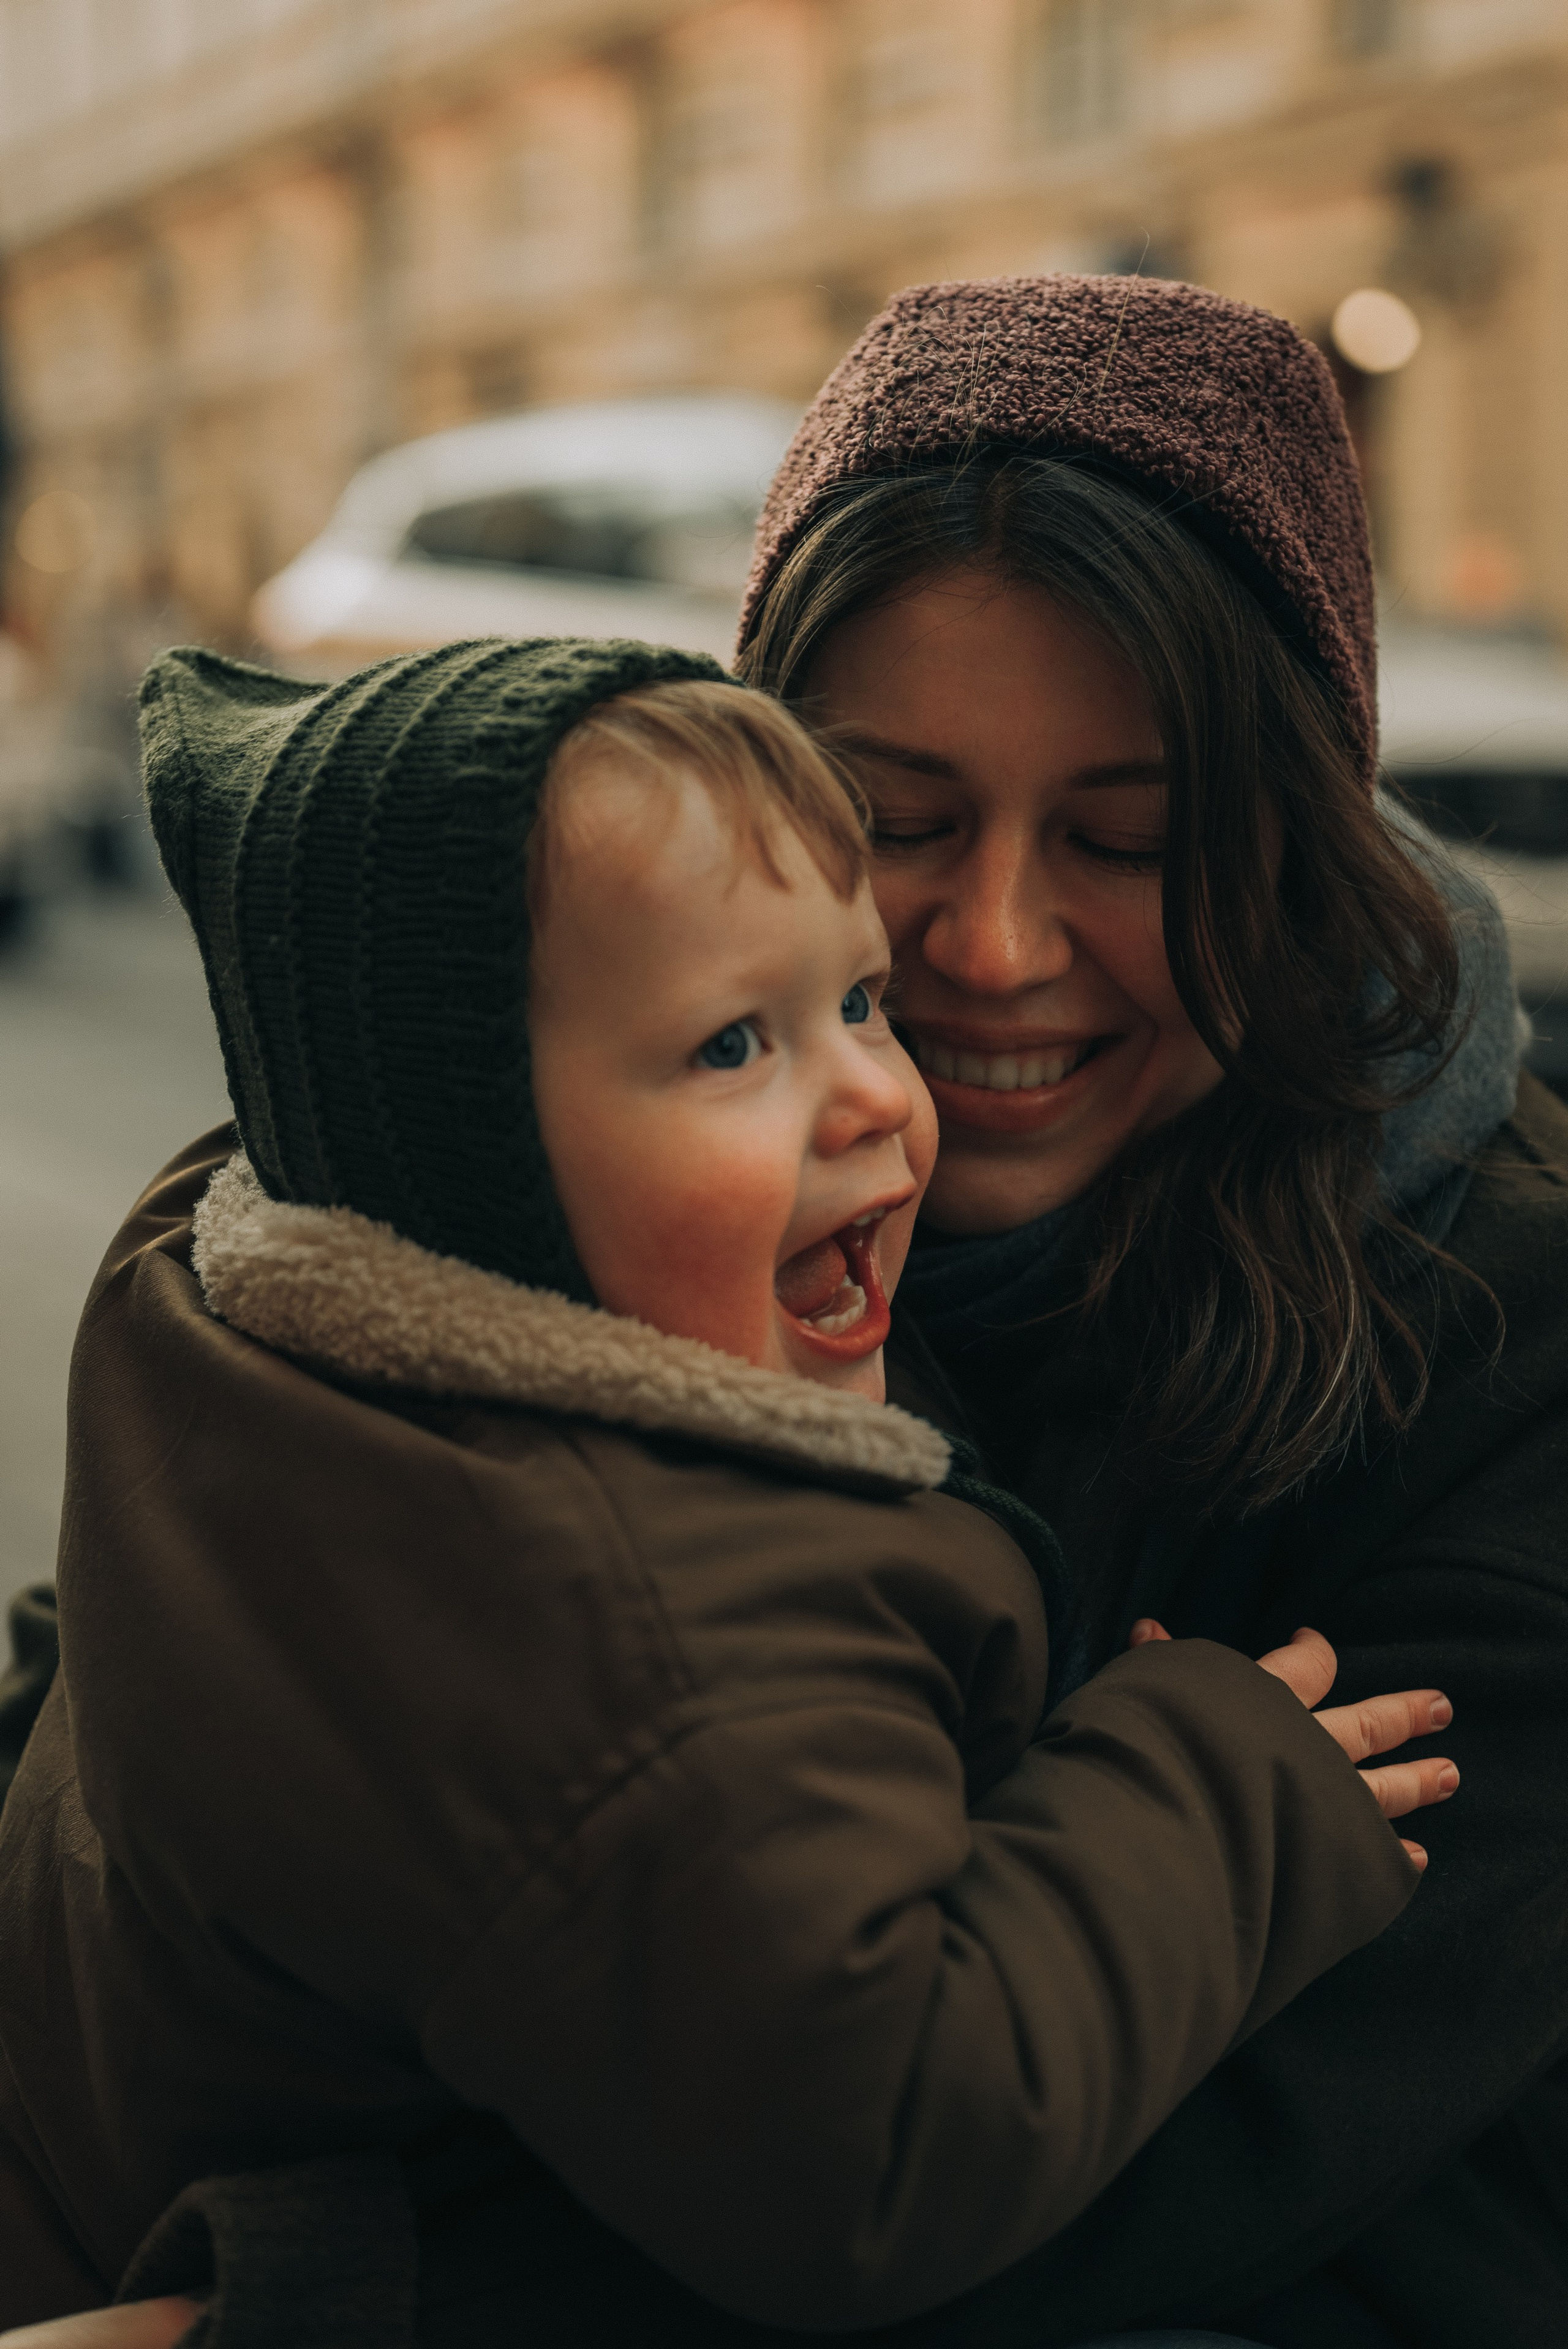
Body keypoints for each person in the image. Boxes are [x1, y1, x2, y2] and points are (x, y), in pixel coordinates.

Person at [0, 641, 1446, 2348]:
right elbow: (889, 2147)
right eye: (732, 1044)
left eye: (856, 1000)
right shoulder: (647, 1648)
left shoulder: (228, 1337)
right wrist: (1206, 1783)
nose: (880, 1098)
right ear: (467, 1168)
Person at [731, 272, 1568, 2347]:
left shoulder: (1520, 1341)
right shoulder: (582, 1210)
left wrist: (318, 2292)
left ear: (1297, 847)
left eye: (1135, 838)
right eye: (891, 823)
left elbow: (1165, 2173)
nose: (994, 944)